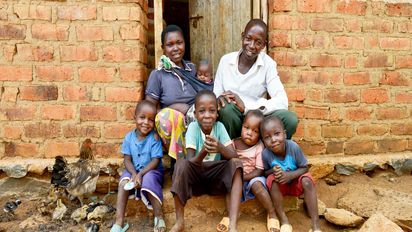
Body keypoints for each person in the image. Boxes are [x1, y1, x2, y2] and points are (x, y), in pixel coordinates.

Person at [170, 90, 243, 232]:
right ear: (195, 114)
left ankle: (232, 225)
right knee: (180, 164)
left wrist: (220, 148)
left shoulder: (220, 127)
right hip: (196, 178)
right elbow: (191, 161)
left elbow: (234, 155)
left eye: (212, 111)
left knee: (236, 164)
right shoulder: (193, 128)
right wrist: (204, 151)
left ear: (217, 113)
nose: (207, 115)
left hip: (215, 179)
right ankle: (180, 221)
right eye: (202, 111)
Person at [213, 19, 298, 140]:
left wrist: (246, 107)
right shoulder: (226, 61)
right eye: (248, 39)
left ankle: (266, 153)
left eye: (258, 42)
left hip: (257, 121)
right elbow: (216, 95)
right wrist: (219, 99)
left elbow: (282, 101)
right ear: (242, 37)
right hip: (232, 119)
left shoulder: (268, 64)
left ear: (264, 45)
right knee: (226, 109)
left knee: (290, 119)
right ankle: (231, 151)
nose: (252, 46)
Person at [145, 25, 213, 165]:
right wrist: (174, 110)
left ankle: (203, 162)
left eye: (179, 43)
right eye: (170, 45)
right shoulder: (158, 74)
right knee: (168, 117)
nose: (175, 48)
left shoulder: (193, 69)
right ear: (163, 47)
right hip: (175, 123)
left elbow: (206, 88)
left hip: (195, 116)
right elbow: (150, 107)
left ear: (184, 43)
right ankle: (180, 164)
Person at [218, 110, 279, 232]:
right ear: (242, 126)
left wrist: (242, 179)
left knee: (257, 185)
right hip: (237, 179)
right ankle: (229, 214)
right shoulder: (234, 143)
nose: (249, 133)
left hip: (253, 177)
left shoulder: (259, 147)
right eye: (246, 128)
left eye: (255, 131)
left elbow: (259, 171)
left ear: (260, 134)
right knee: (230, 187)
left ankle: (272, 213)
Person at [111, 100, 166, 232]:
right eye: (142, 117)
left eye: (151, 120)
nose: (146, 122)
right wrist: (134, 174)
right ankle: (119, 222)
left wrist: (141, 174)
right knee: (123, 182)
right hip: (133, 171)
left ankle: (159, 217)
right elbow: (127, 160)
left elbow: (155, 161)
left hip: (152, 171)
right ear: (135, 117)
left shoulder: (154, 138)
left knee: (148, 180)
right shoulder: (129, 137)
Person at [261, 116, 321, 232]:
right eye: (267, 137)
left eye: (277, 134)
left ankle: (315, 226)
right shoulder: (266, 154)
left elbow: (304, 168)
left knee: (307, 180)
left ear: (285, 134)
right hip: (280, 188)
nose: (273, 140)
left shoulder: (293, 147)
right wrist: (273, 171)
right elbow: (265, 172)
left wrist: (289, 175)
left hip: (295, 185)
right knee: (270, 179)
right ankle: (284, 221)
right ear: (263, 141)